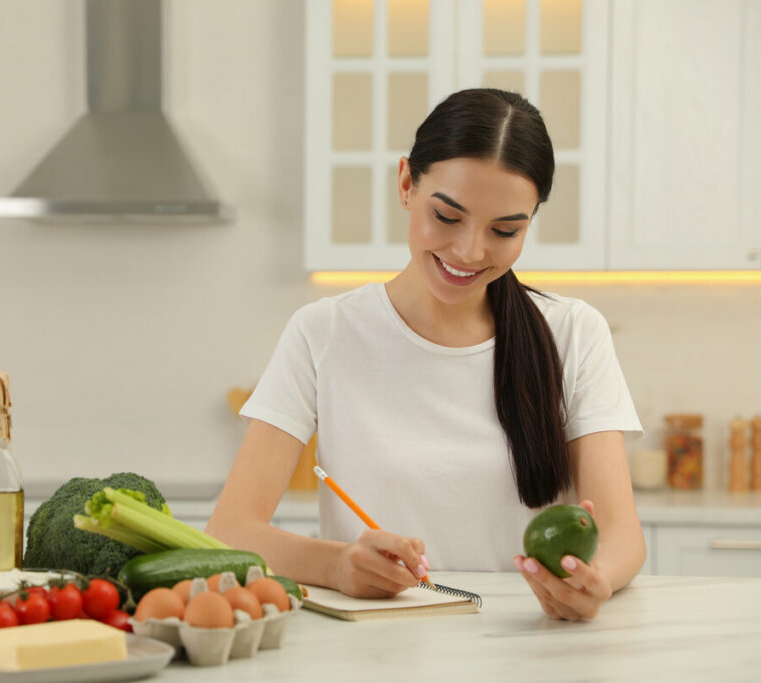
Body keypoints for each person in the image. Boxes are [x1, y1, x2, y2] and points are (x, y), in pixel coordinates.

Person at [206, 88, 645, 621]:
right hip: (375, 652)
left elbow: (623, 534)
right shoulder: (324, 332)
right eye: (447, 216)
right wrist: (338, 564)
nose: (469, 252)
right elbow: (229, 530)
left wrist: (596, 580)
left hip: (530, 643)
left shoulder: (574, 332)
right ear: (407, 184)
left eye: (505, 230)